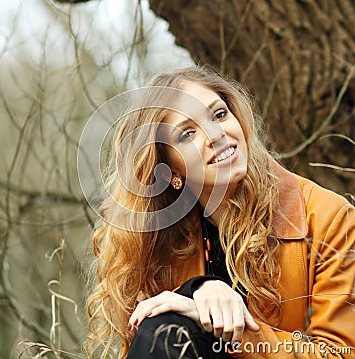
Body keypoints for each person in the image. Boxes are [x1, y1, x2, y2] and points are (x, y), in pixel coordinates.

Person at [84, 66, 355, 359]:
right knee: (163, 328)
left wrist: (229, 329)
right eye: (187, 134)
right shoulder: (159, 243)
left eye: (219, 114)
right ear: (169, 169)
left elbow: (342, 354)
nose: (215, 134)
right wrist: (195, 291)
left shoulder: (329, 217)